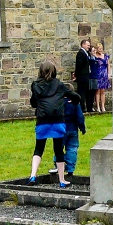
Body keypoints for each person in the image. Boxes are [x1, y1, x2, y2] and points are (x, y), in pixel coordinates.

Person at [27, 60, 77, 188]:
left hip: (42, 120)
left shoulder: (36, 85)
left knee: (38, 149)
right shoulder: (59, 85)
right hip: (58, 120)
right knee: (58, 150)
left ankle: (33, 175)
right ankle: (61, 180)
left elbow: (33, 102)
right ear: (54, 71)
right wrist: (72, 99)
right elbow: (76, 97)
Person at [50, 93, 86, 178]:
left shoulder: (58, 102)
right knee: (72, 149)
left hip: (61, 128)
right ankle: (70, 169)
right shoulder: (75, 103)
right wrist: (82, 127)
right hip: (73, 128)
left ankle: (58, 165)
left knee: (58, 148)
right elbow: (80, 116)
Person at [89, 41, 110, 114]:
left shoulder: (105, 56)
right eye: (99, 48)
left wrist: (108, 74)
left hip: (104, 74)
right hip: (98, 74)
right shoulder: (95, 57)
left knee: (103, 91)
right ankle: (97, 106)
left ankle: (103, 106)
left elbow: (108, 65)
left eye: (101, 48)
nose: (100, 50)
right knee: (97, 91)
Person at [73, 39, 93, 112]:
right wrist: (77, 76)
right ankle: (82, 108)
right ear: (83, 45)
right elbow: (79, 66)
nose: (89, 47)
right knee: (82, 93)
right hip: (82, 77)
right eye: (88, 45)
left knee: (85, 93)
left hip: (85, 77)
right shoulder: (81, 53)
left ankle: (86, 108)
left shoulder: (86, 53)